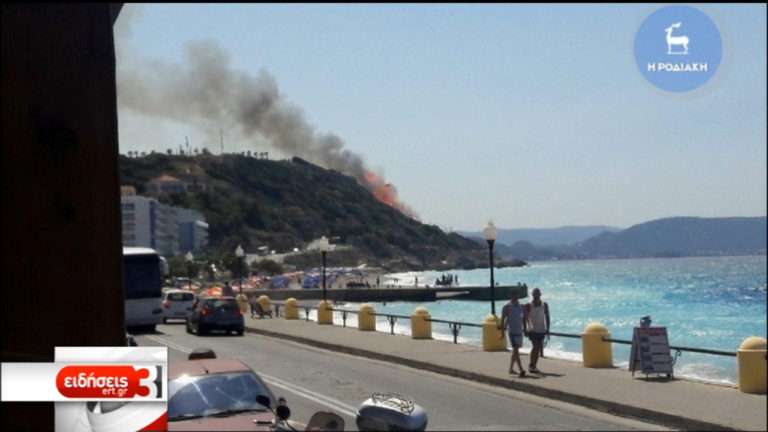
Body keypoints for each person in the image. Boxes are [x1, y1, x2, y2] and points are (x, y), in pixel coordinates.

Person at [524, 287, 550, 374]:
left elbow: (547, 317)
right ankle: (531, 365)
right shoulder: (529, 305)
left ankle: (534, 365)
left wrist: (548, 329)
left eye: (537, 294)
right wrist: (526, 329)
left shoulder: (544, 305)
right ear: (532, 295)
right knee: (535, 346)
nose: (536, 296)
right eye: (535, 294)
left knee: (538, 348)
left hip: (541, 329)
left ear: (540, 295)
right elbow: (525, 318)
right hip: (533, 330)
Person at [500, 291, 526, 377]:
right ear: (511, 295)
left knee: (516, 351)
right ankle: (521, 369)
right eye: (513, 294)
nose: (515, 296)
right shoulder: (507, 307)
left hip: (519, 331)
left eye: (516, 294)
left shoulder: (521, 306)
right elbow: (503, 320)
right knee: (515, 350)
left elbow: (524, 319)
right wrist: (502, 333)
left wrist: (525, 329)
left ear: (518, 295)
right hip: (512, 331)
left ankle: (511, 369)